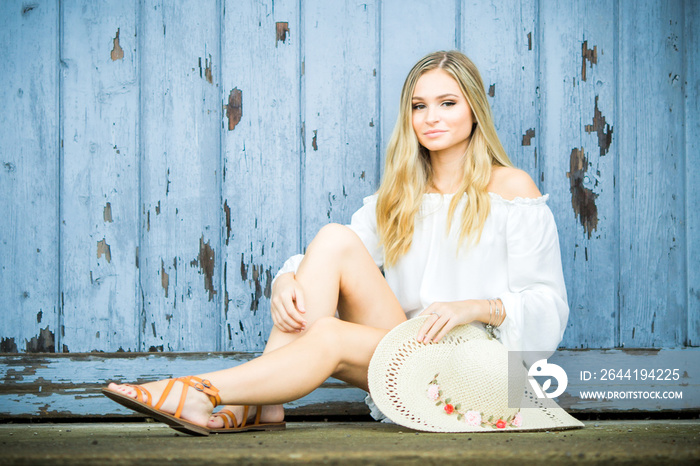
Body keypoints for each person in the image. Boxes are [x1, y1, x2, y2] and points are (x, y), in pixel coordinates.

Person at [103, 50, 569, 435]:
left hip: (483, 366)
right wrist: (284, 279)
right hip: (413, 350)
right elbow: (330, 256)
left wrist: (474, 307)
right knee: (334, 238)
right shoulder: (400, 195)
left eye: (448, 103)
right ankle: (261, 404)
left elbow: (548, 305)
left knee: (327, 333)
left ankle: (203, 391)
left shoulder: (512, 190)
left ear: (473, 109)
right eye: (418, 106)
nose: (431, 118)